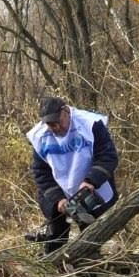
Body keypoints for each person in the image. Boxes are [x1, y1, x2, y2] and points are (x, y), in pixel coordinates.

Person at [26, 95, 118, 252]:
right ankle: (52, 264)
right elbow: (41, 172)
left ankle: (91, 267)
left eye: (58, 122)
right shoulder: (39, 137)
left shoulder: (90, 124)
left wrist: (91, 180)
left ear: (66, 111)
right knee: (56, 233)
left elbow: (107, 156)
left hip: (90, 188)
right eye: (50, 124)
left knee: (92, 235)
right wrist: (58, 199)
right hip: (59, 190)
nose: (56, 127)